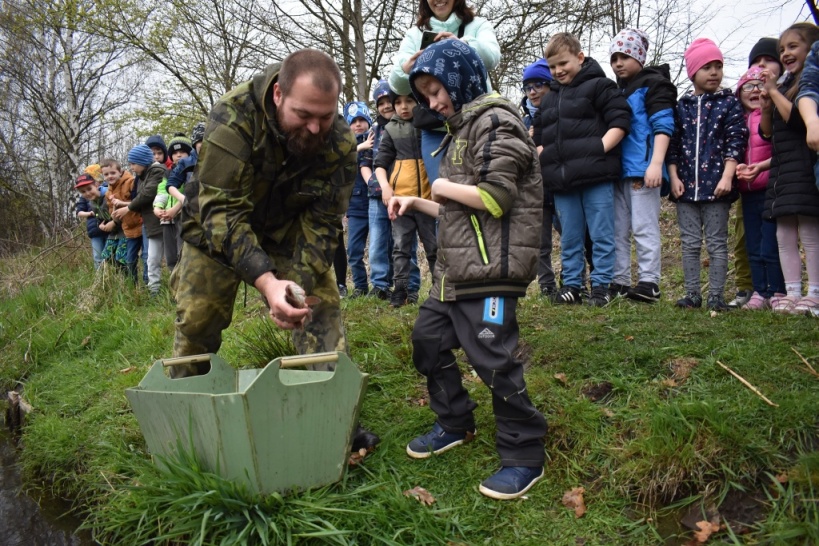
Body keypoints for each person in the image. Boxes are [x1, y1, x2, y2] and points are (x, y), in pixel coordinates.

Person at [170, 49, 379, 451]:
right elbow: (221, 211)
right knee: (197, 320)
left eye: (326, 115)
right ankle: (187, 421)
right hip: (216, 231)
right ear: (279, 94)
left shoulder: (338, 140)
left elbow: (323, 222)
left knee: (320, 312)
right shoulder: (233, 115)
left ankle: (336, 423)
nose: (317, 128)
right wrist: (266, 281)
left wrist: (292, 288)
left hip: (287, 230)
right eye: (304, 115)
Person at [390, 39, 547, 500]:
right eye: (425, 96)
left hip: (492, 269)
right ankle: (454, 421)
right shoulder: (460, 130)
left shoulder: (499, 123)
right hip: (454, 271)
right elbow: (461, 211)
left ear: (462, 78)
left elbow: (496, 199)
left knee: (493, 360)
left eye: (437, 90)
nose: (434, 103)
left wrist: (437, 184)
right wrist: (418, 200)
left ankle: (524, 455)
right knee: (428, 340)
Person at [534, 32, 631, 307]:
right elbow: (539, 134)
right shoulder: (549, 97)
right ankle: (572, 286)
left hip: (596, 175)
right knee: (571, 236)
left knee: (601, 234)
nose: (558, 70)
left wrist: (599, 149)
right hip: (562, 179)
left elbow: (620, 120)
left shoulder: (600, 86)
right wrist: (542, 155)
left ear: (580, 57)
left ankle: (601, 285)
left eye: (563, 63)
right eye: (552, 66)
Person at [669, 38, 747, 311]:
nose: (714, 72)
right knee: (690, 244)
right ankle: (692, 295)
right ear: (693, 73)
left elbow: (735, 141)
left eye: (718, 66)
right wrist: (674, 177)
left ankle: (716, 296)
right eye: (706, 67)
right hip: (686, 189)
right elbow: (673, 144)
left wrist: (727, 177)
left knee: (716, 243)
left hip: (717, 189)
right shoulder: (682, 107)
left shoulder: (729, 104)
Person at [389, 0, 500, 182]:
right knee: (443, 192)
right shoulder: (414, 35)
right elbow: (398, 86)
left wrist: (461, 46)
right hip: (436, 129)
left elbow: (492, 58)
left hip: (478, 122)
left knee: (483, 184)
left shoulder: (478, 25)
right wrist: (406, 68)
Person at [609, 29, 676, 303]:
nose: (618, 63)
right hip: (618, 171)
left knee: (644, 226)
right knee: (618, 228)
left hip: (643, 170)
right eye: (614, 57)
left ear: (639, 55)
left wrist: (655, 164)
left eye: (624, 56)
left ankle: (650, 281)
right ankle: (620, 280)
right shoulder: (616, 91)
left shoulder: (654, 84)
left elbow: (663, 125)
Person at [762, 23, 819, 314]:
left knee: (809, 232)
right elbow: (767, 133)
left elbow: (797, 120)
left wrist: (773, 92)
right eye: (782, 49)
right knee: (783, 233)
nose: (785, 53)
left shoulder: (808, 86)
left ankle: (815, 292)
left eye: (793, 46)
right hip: (782, 172)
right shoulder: (782, 86)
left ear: (812, 49)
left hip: (804, 168)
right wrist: (767, 104)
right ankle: (792, 292)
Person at [729, 38, 784, 308]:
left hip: (772, 188)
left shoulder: (773, 112)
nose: (754, 90)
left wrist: (767, 104)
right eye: (748, 86)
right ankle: (758, 291)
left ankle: (778, 291)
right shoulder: (736, 119)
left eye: (759, 85)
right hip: (746, 191)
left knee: (771, 244)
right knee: (750, 243)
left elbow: (771, 137)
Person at [374, 90, 438, 307]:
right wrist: (385, 188)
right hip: (400, 201)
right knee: (401, 247)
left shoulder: (431, 125)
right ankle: (401, 291)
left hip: (429, 200)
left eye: (409, 101)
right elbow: (380, 164)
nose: (403, 107)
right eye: (398, 102)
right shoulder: (390, 130)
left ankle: (441, 289)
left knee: (434, 247)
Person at [521, 59, 559, 297]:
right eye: (528, 87)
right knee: (540, 242)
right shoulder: (524, 121)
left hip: (562, 184)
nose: (532, 92)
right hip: (536, 189)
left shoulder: (561, 112)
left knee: (573, 235)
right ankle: (547, 285)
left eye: (538, 85)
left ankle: (575, 281)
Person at [112, 144, 165, 294]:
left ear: (142, 161)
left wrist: (128, 208)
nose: (131, 167)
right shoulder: (142, 176)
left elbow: (148, 194)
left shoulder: (157, 171)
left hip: (162, 222)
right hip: (151, 223)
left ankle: (176, 292)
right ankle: (154, 293)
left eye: (133, 163)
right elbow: (141, 198)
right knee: (151, 260)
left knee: (170, 259)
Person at [343, 101, 374, 298]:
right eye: (354, 121)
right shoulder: (343, 146)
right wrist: (360, 147)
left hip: (377, 202)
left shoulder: (377, 138)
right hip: (355, 206)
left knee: (384, 248)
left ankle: (384, 285)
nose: (358, 124)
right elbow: (337, 162)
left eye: (362, 119)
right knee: (354, 251)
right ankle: (361, 286)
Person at [153, 133, 192, 272]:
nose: (179, 155)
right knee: (170, 257)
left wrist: (176, 209)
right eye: (175, 153)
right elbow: (162, 190)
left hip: (183, 216)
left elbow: (190, 193)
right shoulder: (168, 173)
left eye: (183, 152)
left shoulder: (192, 171)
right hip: (166, 219)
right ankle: (174, 289)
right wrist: (158, 208)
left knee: (183, 253)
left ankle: (185, 288)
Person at [102, 158, 140, 280]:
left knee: (131, 257)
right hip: (124, 227)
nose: (110, 176)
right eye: (106, 174)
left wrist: (122, 204)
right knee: (116, 258)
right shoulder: (108, 192)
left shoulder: (131, 182)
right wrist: (113, 217)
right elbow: (111, 210)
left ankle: (137, 283)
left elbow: (139, 201)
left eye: (112, 173)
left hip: (137, 224)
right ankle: (128, 283)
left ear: (120, 172)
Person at [74, 172, 111, 269]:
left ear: (96, 184)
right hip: (94, 230)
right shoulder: (85, 199)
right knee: (97, 256)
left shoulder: (107, 193)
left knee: (110, 256)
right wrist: (90, 213)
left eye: (89, 189)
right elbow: (79, 212)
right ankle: (99, 280)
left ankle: (112, 278)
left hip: (110, 229)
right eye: (83, 191)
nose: (87, 193)